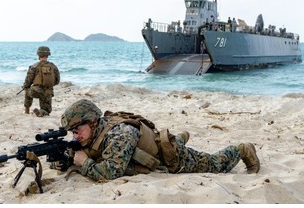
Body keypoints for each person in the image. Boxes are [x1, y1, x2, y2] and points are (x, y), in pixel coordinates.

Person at [59, 99, 260, 182]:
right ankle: (180, 138)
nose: (75, 135)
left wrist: (83, 163)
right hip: (147, 149)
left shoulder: (120, 135)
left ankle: (242, 149)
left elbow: (110, 173)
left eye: (78, 129)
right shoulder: (96, 131)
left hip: (169, 157)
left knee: (216, 164)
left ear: (93, 122)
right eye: (72, 131)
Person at [23, 46, 60, 117]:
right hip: (48, 92)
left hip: (36, 91)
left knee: (27, 90)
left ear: (38, 55)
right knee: (47, 110)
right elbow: (57, 81)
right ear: (48, 55)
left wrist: (25, 86)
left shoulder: (34, 66)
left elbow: (28, 81)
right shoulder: (53, 66)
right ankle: (42, 112)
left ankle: (27, 110)